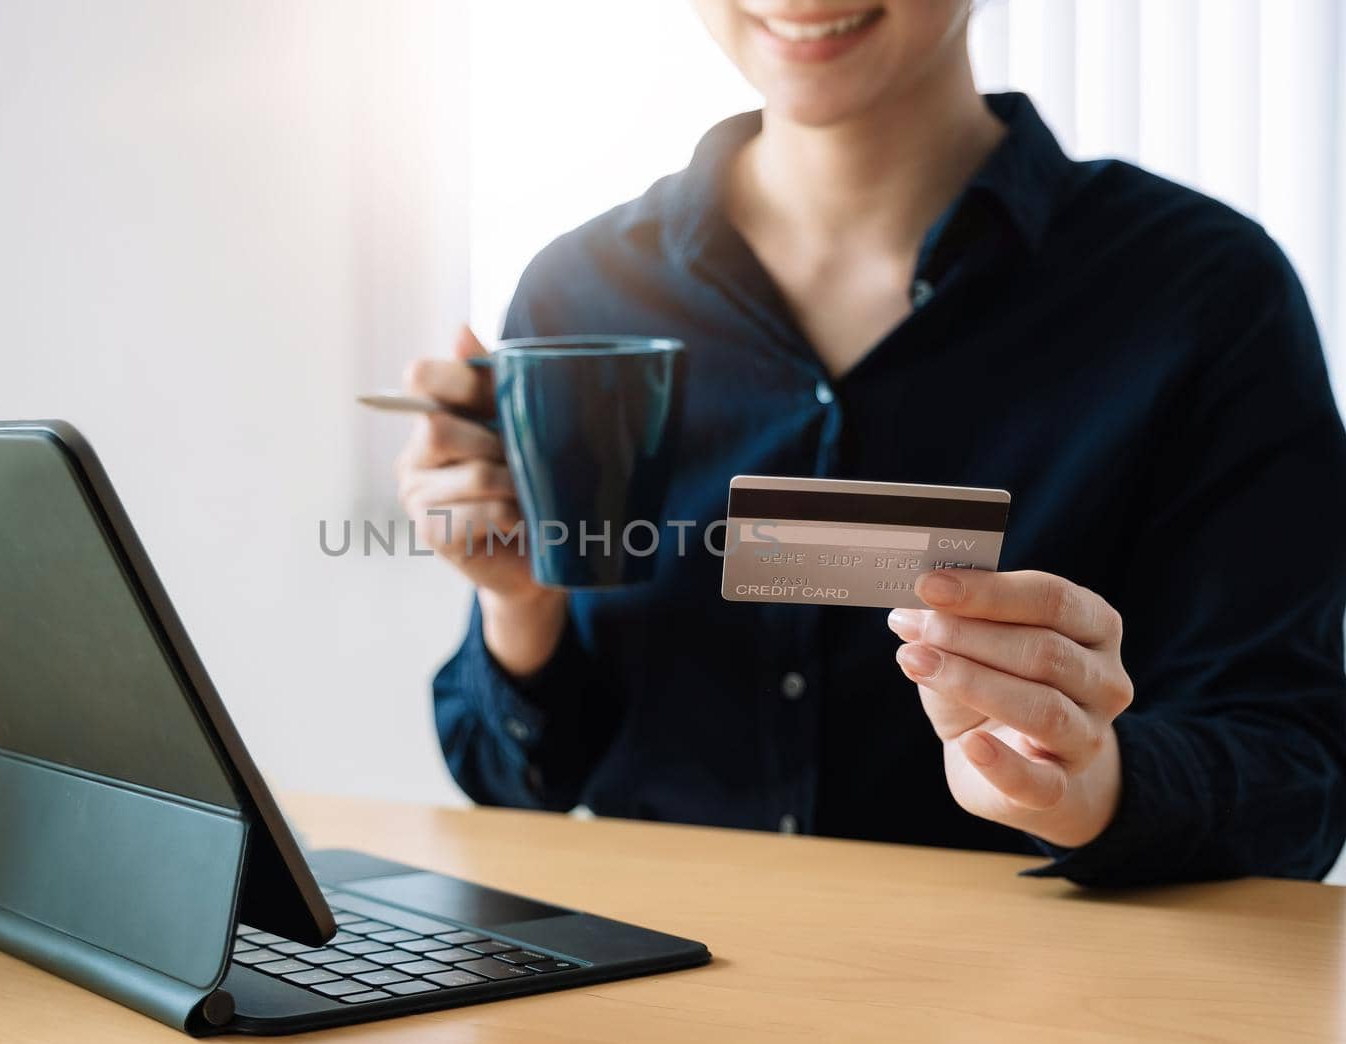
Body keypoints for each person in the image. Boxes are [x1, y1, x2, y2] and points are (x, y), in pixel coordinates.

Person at [393, 0, 1346, 886]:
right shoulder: (580, 297)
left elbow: (1296, 781)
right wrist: (521, 605)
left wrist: (1094, 785)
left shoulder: (1206, 296)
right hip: (656, 994)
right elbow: (515, 784)